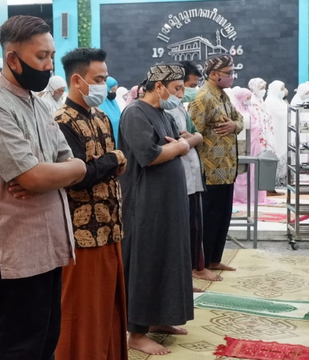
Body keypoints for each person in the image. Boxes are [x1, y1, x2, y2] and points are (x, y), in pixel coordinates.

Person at [0, 15, 86, 360]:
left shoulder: (38, 102)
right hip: (15, 252)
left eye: (50, 56)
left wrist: (67, 170)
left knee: (44, 343)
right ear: (12, 59)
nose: (49, 66)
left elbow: (70, 159)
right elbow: (32, 178)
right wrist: (46, 175)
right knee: (14, 350)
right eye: (40, 57)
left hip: (47, 246)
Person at [53, 47, 128, 360]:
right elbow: (77, 176)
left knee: (108, 308)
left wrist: (104, 164)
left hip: (110, 226)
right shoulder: (61, 121)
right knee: (81, 312)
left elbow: (103, 167)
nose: (104, 85)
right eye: (98, 79)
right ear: (77, 80)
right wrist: (110, 161)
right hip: (80, 234)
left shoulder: (101, 117)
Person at [118, 64, 193, 355]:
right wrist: (178, 149)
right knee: (146, 260)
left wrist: (178, 146)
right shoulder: (135, 112)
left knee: (169, 256)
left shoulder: (163, 114)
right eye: (176, 88)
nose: (180, 94)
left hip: (167, 201)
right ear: (159, 86)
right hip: (146, 201)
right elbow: (149, 155)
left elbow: (181, 140)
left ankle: (162, 318)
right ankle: (136, 332)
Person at [188, 55, 243, 275]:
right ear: (213, 74)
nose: (232, 77)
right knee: (208, 220)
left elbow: (239, 120)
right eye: (228, 73)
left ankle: (214, 259)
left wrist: (233, 125)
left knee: (222, 216)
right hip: (210, 170)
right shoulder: (203, 97)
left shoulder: (222, 95)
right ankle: (199, 266)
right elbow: (193, 130)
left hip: (227, 170)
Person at [167, 61, 218, 285]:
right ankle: (188, 272)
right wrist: (189, 139)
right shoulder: (163, 108)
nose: (187, 92)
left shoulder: (179, 106)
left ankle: (195, 267)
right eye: (185, 86)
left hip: (192, 172)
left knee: (195, 225)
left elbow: (195, 135)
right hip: (178, 176)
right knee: (182, 229)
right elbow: (175, 141)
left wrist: (192, 139)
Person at [233, 87, 273, 205]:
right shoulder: (235, 110)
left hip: (254, 144)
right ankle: (241, 196)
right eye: (247, 98)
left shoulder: (251, 109)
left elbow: (256, 124)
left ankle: (256, 196)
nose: (249, 100)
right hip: (241, 145)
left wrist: (255, 127)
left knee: (254, 171)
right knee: (242, 173)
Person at [265, 80, 288, 186]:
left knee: (284, 151)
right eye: (281, 88)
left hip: (282, 131)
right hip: (275, 132)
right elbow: (281, 113)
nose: (283, 91)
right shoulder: (270, 100)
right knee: (277, 152)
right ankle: (275, 180)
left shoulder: (280, 101)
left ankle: (283, 178)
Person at [100, 76, 122, 141]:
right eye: (112, 90)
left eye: (115, 90)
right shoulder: (100, 104)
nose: (113, 92)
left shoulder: (114, 103)